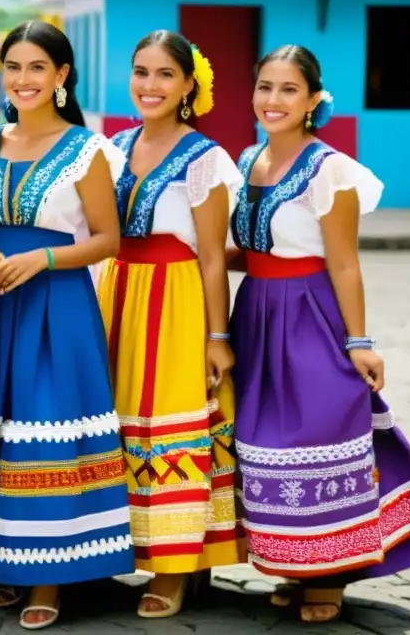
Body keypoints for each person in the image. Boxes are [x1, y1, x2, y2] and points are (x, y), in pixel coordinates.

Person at [229, 45, 410, 623]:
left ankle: (332, 573)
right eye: (264, 87)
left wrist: (359, 341)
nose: (272, 100)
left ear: (311, 100)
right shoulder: (248, 158)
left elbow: (344, 263)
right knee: (261, 440)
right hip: (255, 312)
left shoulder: (332, 170)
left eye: (287, 90)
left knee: (315, 430)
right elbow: (249, 251)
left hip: (310, 316)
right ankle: (297, 565)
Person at [0, 21, 132, 631]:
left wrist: (43, 258)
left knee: (46, 423)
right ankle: (9, 560)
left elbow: (109, 238)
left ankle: (49, 576)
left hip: (57, 305)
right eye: (13, 67)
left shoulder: (87, 149)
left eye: (36, 67)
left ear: (61, 76)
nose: (22, 79)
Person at [96, 30, 244, 618]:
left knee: (171, 428)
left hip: (177, 299)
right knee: (116, 421)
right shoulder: (110, 148)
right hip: (118, 293)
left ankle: (177, 566)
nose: (149, 85)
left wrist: (217, 336)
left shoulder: (205, 158)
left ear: (188, 86)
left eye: (164, 74)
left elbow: (212, 256)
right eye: (140, 71)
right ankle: (120, 549)